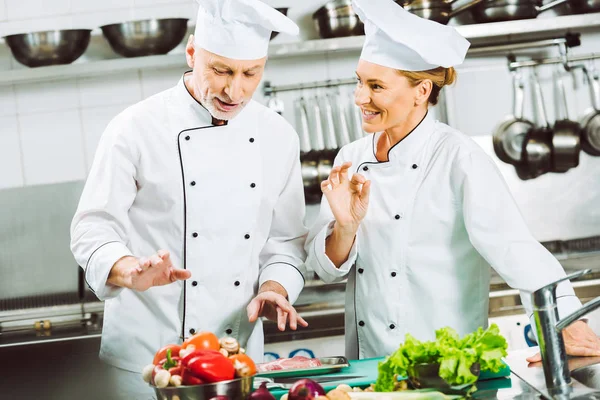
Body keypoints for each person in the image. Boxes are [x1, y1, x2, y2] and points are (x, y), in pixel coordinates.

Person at [305, 0, 600, 362]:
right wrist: (346, 227)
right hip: (368, 365)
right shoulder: (350, 158)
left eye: (376, 86)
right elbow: (323, 270)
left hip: (447, 363)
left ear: (421, 91)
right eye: (359, 82)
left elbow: (513, 247)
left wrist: (565, 322)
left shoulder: (458, 158)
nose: (360, 98)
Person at [70, 0, 308, 397]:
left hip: (237, 363)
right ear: (192, 53)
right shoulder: (135, 128)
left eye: (251, 73)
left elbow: (285, 241)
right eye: (221, 71)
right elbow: (92, 228)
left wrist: (275, 288)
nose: (235, 90)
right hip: (146, 364)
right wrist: (129, 269)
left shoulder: (278, 137)